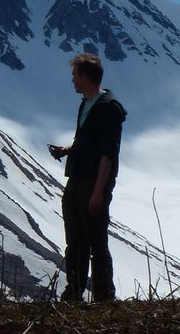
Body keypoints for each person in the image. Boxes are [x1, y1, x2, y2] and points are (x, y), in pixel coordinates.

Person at [49, 53, 126, 303]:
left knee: (95, 239)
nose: (72, 80)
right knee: (75, 238)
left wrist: (98, 191)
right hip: (78, 178)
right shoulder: (88, 104)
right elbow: (89, 142)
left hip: (93, 181)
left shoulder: (109, 109)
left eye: (75, 75)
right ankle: (75, 290)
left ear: (85, 77)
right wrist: (68, 150)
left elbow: (108, 153)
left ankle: (103, 293)